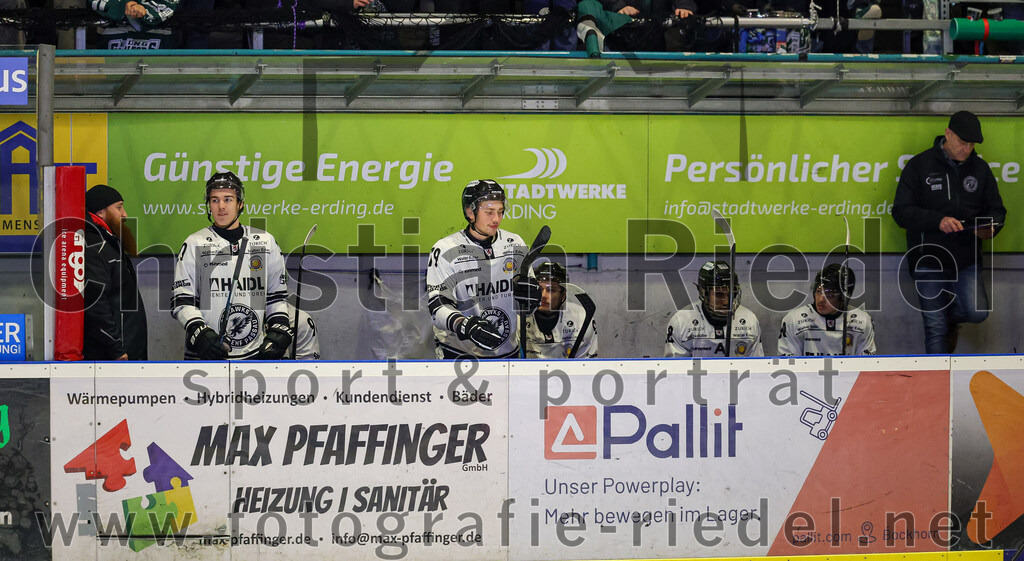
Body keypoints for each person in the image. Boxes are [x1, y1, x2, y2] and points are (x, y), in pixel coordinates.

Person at [893, 111, 1007, 354]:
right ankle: (936, 387)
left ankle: (951, 318)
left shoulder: (980, 169)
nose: (967, 149)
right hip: (928, 260)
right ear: (948, 134)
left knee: (976, 312)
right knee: (935, 327)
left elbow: (997, 210)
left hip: (966, 260)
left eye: (972, 144)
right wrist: (938, 221)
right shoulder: (919, 165)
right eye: (962, 142)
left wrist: (992, 228)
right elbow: (901, 212)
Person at [171, 172, 293, 360]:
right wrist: (200, 333)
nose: (221, 207)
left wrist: (279, 328)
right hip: (207, 355)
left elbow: (276, 298)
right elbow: (182, 302)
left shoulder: (266, 242)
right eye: (214, 200)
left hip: (254, 354)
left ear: (240, 203)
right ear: (208, 205)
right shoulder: (194, 243)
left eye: (228, 199)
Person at [426, 179, 541, 359]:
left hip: (507, 353)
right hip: (460, 354)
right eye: (489, 212)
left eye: (500, 212)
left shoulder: (514, 243)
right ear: (470, 212)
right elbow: (437, 306)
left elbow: (525, 305)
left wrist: (531, 297)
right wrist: (463, 324)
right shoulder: (445, 249)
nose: (496, 219)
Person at [82, 184, 148, 360]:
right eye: (119, 207)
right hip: (115, 356)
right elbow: (95, 303)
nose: (125, 214)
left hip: (125, 350)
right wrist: (115, 350)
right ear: (101, 212)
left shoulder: (109, 242)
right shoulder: (95, 246)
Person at [665, 260, 763, 358]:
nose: (726, 302)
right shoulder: (681, 321)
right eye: (719, 295)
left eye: (731, 294)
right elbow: (674, 369)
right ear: (703, 293)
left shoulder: (750, 321)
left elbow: (757, 368)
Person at [778, 263, 876, 356]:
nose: (821, 300)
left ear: (843, 297)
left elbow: (867, 365)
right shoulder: (793, 320)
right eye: (819, 291)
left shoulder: (862, 321)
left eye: (829, 295)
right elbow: (788, 364)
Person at [524, 262, 598, 359]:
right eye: (540, 289)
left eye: (551, 290)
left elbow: (586, 366)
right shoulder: (519, 317)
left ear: (563, 295)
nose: (543, 296)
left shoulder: (581, 317)